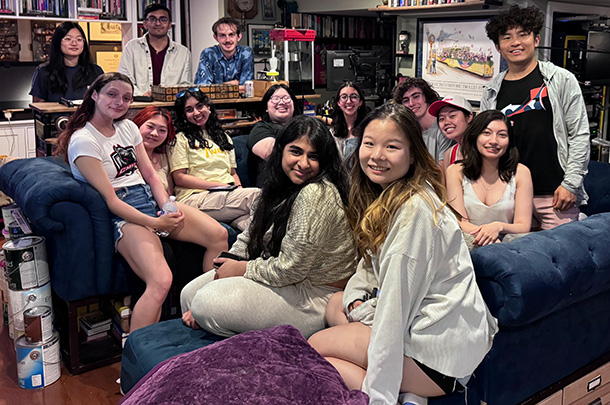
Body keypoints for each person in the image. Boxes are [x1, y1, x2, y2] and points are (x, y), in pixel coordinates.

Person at [308, 103, 497, 404]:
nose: (377, 155)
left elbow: (394, 309)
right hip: (429, 325)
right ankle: (409, 391)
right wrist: (357, 298)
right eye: (369, 144)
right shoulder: (391, 195)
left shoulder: (413, 213)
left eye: (392, 146)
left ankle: (397, 396)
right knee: (335, 304)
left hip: (438, 355)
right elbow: (369, 266)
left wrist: (379, 395)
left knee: (315, 348)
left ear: (412, 154)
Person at [180, 115, 357, 339]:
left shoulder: (317, 192)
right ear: (281, 149)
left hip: (314, 292)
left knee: (205, 303)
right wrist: (229, 262)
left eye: (313, 156)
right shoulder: (276, 184)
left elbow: (292, 268)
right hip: (282, 277)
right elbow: (250, 235)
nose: (303, 163)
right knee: (189, 295)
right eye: (296, 152)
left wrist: (242, 269)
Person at [54, 73, 195, 332]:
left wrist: (167, 206)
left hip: (149, 198)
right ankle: (136, 359)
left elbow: (151, 174)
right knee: (161, 280)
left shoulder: (127, 127)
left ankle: (201, 319)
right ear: (94, 94)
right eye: (112, 94)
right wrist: (155, 222)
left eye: (127, 98)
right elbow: (110, 200)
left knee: (218, 235)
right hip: (124, 214)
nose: (120, 102)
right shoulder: (84, 140)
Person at [481, 4, 590, 230]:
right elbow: (486, 143)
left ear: (536, 39)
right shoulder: (491, 90)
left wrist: (571, 184)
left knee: (562, 259)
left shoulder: (561, 80)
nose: (516, 42)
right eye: (507, 37)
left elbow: (579, 134)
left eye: (523, 34)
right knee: (517, 261)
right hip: (509, 194)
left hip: (555, 195)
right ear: (498, 47)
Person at [132, 106, 229, 270]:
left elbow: (170, 193)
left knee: (221, 234)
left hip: (167, 209)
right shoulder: (126, 156)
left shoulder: (164, 157)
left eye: (162, 130)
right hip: (142, 215)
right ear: (137, 125)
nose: (155, 133)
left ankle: (211, 292)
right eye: (150, 126)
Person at [168, 87, 259, 231]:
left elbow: (233, 173)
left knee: (259, 228)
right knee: (258, 196)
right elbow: (179, 178)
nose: (197, 113)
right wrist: (215, 186)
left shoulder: (224, 137)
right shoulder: (180, 139)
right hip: (196, 197)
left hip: (226, 196)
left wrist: (238, 190)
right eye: (189, 110)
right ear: (184, 115)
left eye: (199, 106)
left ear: (208, 107)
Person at [446, 110, 533, 249]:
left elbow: (523, 226)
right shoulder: (455, 171)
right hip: (467, 247)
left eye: (502, 135)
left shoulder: (521, 172)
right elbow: (460, 222)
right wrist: (487, 237)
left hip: (508, 249)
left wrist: (497, 227)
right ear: (475, 136)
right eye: (486, 133)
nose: (493, 141)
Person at [118, 3, 192, 97]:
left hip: (171, 106)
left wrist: (168, 95)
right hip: (140, 105)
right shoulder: (132, 47)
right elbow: (124, 80)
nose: (157, 23)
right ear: (144, 24)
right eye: (152, 19)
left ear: (170, 25)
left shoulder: (183, 53)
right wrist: (142, 95)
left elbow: (185, 85)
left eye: (163, 19)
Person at [30, 22, 103, 102]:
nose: (74, 43)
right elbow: (38, 108)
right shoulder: (44, 71)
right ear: (58, 42)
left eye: (79, 39)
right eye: (68, 39)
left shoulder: (96, 71)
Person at [246, 84, 302, 186]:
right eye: (275, 99)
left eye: (286, 98)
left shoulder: (303, 127)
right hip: (275, 188)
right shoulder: (260, 129)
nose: (281, 102)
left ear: (294, 105)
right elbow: (274, 155)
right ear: (266, 107)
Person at [392, 77, 453, 164]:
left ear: (427, 97)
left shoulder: (443, 127)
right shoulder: (407, 130)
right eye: (406, 100)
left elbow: (442, 171)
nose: (411, 103)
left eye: (416, 96)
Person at [194, 17, 254, 85]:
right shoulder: (208, 54)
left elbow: (247, 88)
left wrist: (215, 87)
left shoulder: (246, 53)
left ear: (239, 37)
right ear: (216, 37)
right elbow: (203, 88)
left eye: (231, 35)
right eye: (222, 35)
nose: (227, 40)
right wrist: (230, 84)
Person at [427, 95, 474, 181]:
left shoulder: (483, 148)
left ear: (469, 117)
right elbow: (446, 190)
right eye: (441, 119)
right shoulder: (449, 154)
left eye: (452, 116)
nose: (446, 122)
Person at [328, 82, 370, 160]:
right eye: (344, 97)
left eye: (353, 97)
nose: (348, 101)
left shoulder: (368, 129)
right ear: (338, 103)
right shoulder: (333, 133)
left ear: (360, 102)